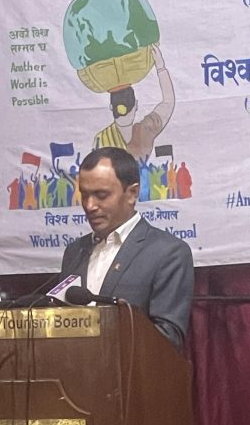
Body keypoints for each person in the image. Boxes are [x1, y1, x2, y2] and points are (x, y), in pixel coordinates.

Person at [60, 147, 193, 347]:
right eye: (84, 195)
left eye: (101, 195)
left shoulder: (168, 252)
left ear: (132, 193)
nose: (89, 206)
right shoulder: (74, 251)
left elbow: (168, 338)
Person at [93, 44, 175, 162]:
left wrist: (161, 67)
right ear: (136, 105)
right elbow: (168, 102)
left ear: (111, 107)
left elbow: (168, 103)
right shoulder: (144, 131)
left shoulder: (143, 130)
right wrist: (160, 67)